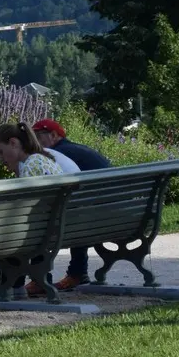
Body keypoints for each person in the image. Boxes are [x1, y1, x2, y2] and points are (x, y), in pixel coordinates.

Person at [0, 121, 68, 301]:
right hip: (52, 228)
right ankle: (16, 286)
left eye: (1, 152)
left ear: (13, 143)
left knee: (3, 227)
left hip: (39, 232)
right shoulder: (43, 159)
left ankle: (3, 285)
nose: (1, 159)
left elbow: (23, 209)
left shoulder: (30, 165)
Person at [32, 118, 113, 292]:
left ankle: (42, 279)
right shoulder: (78, 149)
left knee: (44, 221)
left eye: (38, 136)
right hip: (115, 216)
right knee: (77, 212)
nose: (34, 142)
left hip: (91, 218)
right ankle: (77, 273)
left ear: (53, 135)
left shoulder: (56, 155)